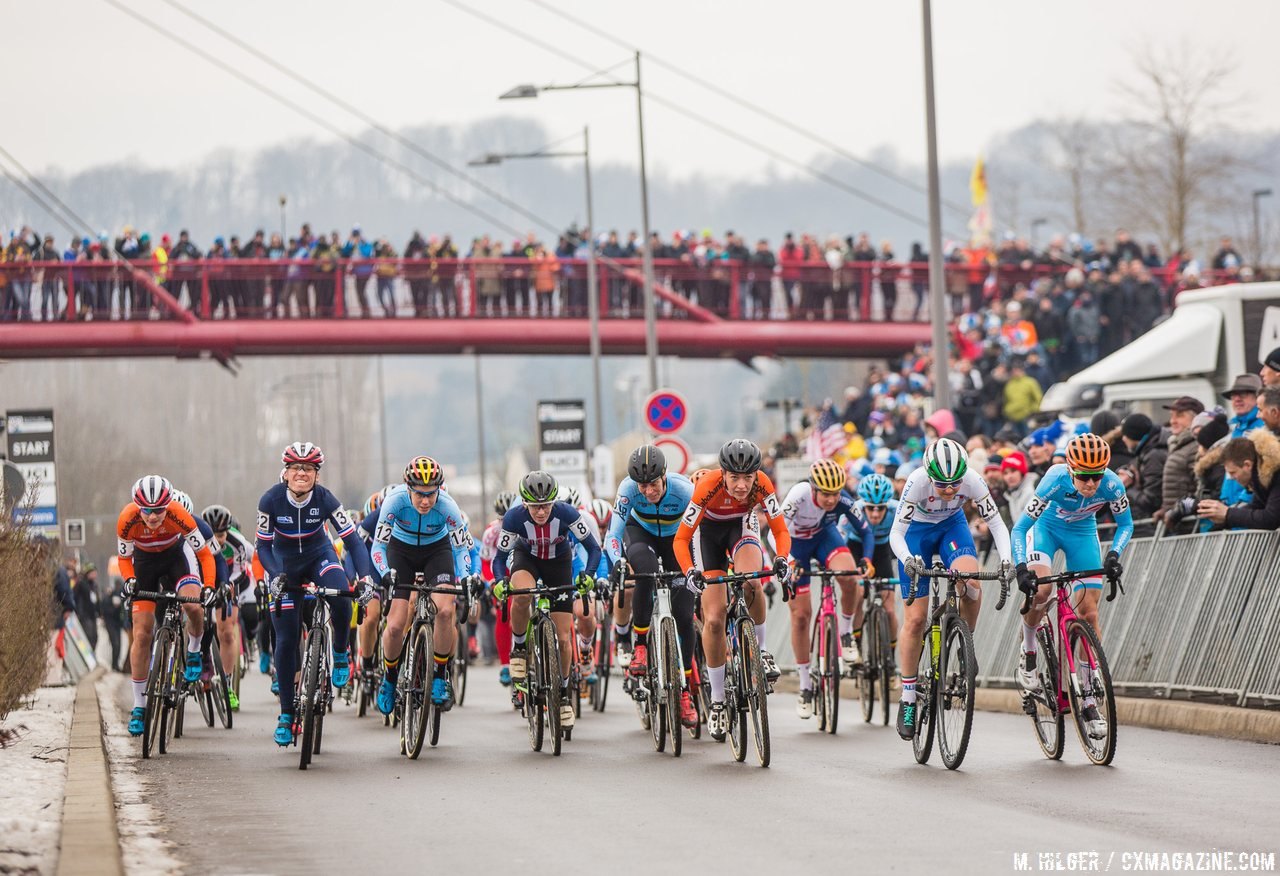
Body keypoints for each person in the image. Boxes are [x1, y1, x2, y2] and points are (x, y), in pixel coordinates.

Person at [1011, 433, 1133, 741]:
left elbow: (1126, 524)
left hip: (1082, 533)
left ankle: (1090, 699)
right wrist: (1021, 567)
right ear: (1070, 469)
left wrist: (1115, 555)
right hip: (1045, 531)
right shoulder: (1053, 478)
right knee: (1041, 591)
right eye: (1084, 476)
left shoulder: (1112, 483)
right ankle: (1028, 652)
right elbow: (1021, 526)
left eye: (1097, 476)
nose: (1092, 484)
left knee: (1089, 614)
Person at [889, 438, 1013, 740]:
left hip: (951, 527)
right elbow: (897, 533)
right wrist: (907, 560)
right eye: (941, 485)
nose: (948, 490)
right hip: (916, 534)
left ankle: (964, 642)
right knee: (916, 620)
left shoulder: (972, 480)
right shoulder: (917, 482)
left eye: (954, 484)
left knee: (970, 580)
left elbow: (996, 524)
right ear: (929, 475)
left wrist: (1007, 561)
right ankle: (907, 698)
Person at [256, 442, 376, 746]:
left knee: (339, 594)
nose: (301, 473)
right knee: (285, 638)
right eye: (295, 467)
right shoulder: (270, 500)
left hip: (318, 555)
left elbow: (353, 542)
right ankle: (285, 714)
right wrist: (274, 576)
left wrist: (363, 578)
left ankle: (339, 653)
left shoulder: (326, 500)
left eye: (308, 468)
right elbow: (262, 546)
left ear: (316, 475)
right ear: (285, 472)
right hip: (283, 563)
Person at [674, 439, 791, 742]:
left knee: (753, 582)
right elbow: (680, 539)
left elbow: (779, 530)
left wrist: (781, 559)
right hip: (708, 536)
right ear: (723, 473)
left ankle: (762, 652)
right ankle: (716, 700)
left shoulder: (762, 484)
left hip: (741, 527)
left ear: (756, 475)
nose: (741, 485)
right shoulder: (706, 487)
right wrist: (690, 572)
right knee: (713, 618)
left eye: (747, 478)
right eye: (735, 477)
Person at [491, 472, 600, 732]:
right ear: (525, 504)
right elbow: (499, 558)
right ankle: (518, 648)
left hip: (558, 564)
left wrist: (588, 576)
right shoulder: (514, 517)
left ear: (554, 502)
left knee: (563, 638)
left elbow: (594, 548)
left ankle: (563, 694)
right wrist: (499, 581)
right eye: (535, 506)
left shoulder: (568, 514)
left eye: (546, 506)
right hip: (527, 559)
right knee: (522, 594)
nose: (541, 512)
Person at [371, 457, 476, 717]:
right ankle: (390, 678)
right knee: (395, 625)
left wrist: (464, 577)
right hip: (401, 552)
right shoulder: (394, 501)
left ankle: (440, 675)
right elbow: (378, 547)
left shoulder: (448, 506)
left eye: (431, 494)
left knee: (445, 611)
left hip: (436, 552)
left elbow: (462, 548)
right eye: (420, 494)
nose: (426, 501)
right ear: (408, 488)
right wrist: (385, 573)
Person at [603, 444, 699, 727]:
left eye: (653, 484)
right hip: (640, 532)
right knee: (643, 573)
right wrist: (618, 561)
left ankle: (684, 691)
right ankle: (641, 645)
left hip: (676, 540)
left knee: (684, 615)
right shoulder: (627, 489)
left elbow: (701, 533)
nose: (647, 491)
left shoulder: (684, 491)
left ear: (665, 476)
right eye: (642, 485)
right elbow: (613, 535)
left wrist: (699, 568)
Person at [117, 476, 218, 736]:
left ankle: (194, 651)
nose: (153, 516)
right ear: (138, 507)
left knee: (193, 607)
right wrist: (129, 581)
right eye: (147, 510)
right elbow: (124, 558)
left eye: (159, 510)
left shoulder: (179, 514)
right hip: (144, 564)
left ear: (168, 505)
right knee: (141, 634)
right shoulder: (127, 519)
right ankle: (140, 707)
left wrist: (208, 586)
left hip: (176, 559)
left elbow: (205, 554)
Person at [780, 459, 873, 719]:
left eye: (835, 493)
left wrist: (866, 559)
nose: (831, 499)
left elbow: (865, 531)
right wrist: (787, 561)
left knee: (849, 577)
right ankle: (805, 686)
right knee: (800, 617)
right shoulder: (798, 496)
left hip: (824, 538)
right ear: (813, 489)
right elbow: (775, 532)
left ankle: (845, 634)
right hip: (795, 545)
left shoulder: (843, 500)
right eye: (825, 494)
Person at [1196, 432, 1280, 530]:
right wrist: (1222, 521)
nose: (1231, 478)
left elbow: (1270, 519)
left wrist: (1227, 513)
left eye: (1233, 472)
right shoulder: (1261, 476)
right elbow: (1257, 506)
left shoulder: (1276, 473)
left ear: (1247, 465)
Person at [480, 491, 517, 685]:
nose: (506, 522)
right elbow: (485, 561)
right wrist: (492, 581)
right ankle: (504, 664)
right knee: (503, 614)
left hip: (518, 570)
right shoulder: (491, 532)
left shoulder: (522, 525)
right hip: (499, 573)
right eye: (502, 518)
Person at [1158, 397, 1206, 521]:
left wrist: (1179, 511)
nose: (1172, 421)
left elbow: (1201, 487)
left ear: (1195, 419)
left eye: (1179, 416)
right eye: (1172, 416)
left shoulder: (1195, 447)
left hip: (1190, 524)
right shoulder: (1179, 445)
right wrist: (1166, 509)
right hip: (1177, 523)